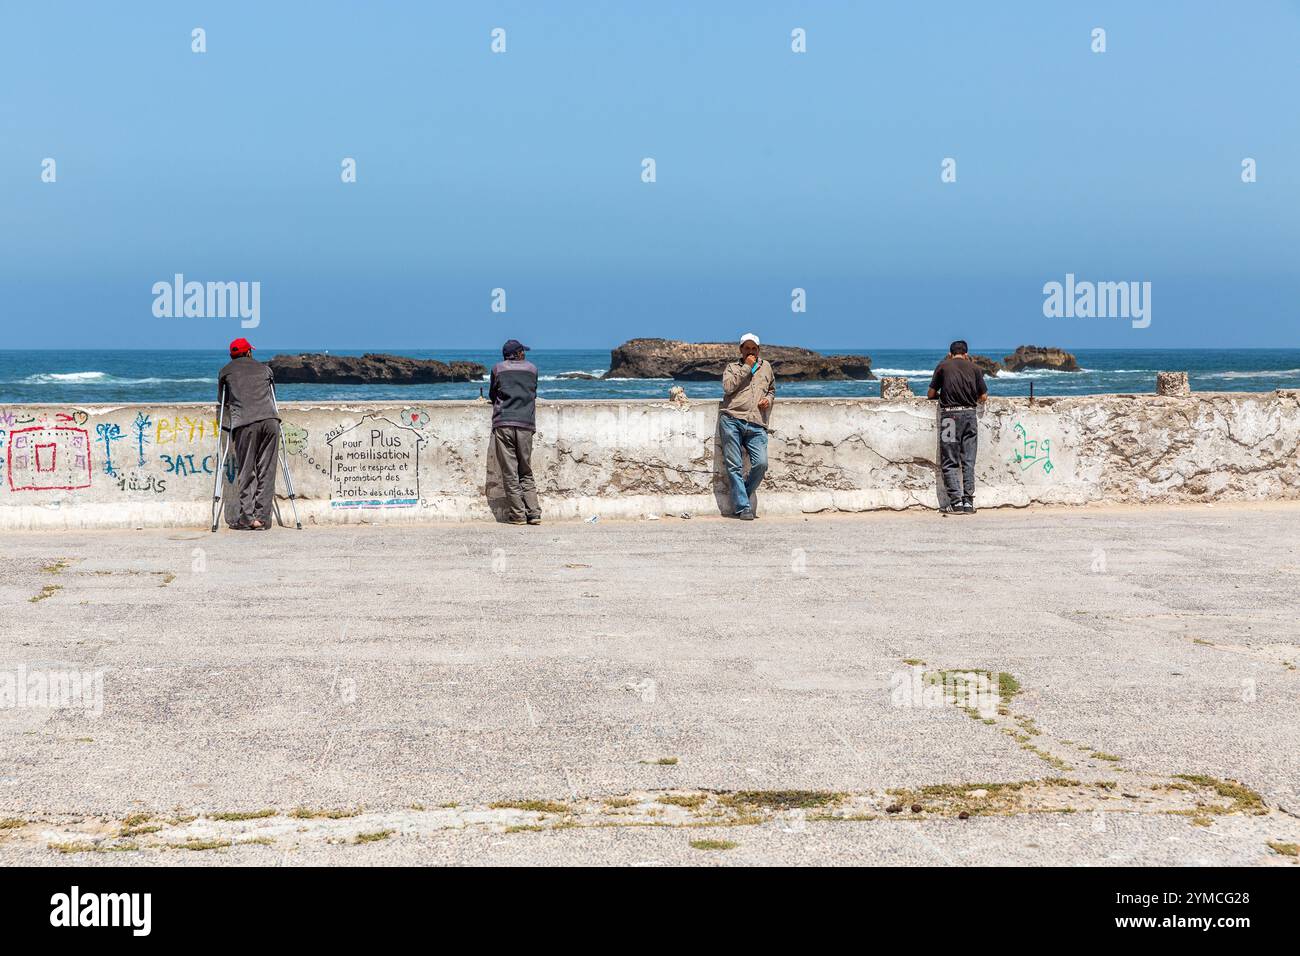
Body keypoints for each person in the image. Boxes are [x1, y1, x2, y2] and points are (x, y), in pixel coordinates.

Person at [217, 338, 281, 530]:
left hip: (245, 423)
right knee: (266, 470)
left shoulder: (225, 371)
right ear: (249, 353)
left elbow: (223, 402)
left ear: (232, 355)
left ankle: (247, 518)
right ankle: (262, 519)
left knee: (247, 470)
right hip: (270, 421)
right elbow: (272, 395)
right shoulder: (265, 369)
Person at [927, 339, 987, 515]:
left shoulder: (943, 366)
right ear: (966, 354)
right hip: (969, 416)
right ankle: (968, 502)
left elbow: (930, 394)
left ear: (950, 353)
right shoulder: (975, 368)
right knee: (968, 461)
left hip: (949, 418)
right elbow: (983, 396)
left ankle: (955, 503)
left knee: (949, 460)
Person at [720, 332, 775, 520]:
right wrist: (747, 367)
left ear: (758, 350)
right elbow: (728, 388)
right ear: (741, 349)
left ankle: (742, 492)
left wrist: (768, 399)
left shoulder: (767, 367)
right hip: (732, 419)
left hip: (757, 423)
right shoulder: (732, 367)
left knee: (761, 464)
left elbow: (771, 389)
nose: (750, 352)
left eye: (754, 348)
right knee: (734, 465)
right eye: (747, 348)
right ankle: (743, 507)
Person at [489, 339, 542, 525]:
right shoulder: (532, 369)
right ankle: (534, 513)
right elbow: (532, 393)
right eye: (522, 352)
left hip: (503, 423)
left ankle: (518, 515)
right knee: (525, 470)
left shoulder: (498, 369)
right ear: (518, 354)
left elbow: (493, 394)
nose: (524, 354)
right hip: (526, 423)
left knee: (510, 471)